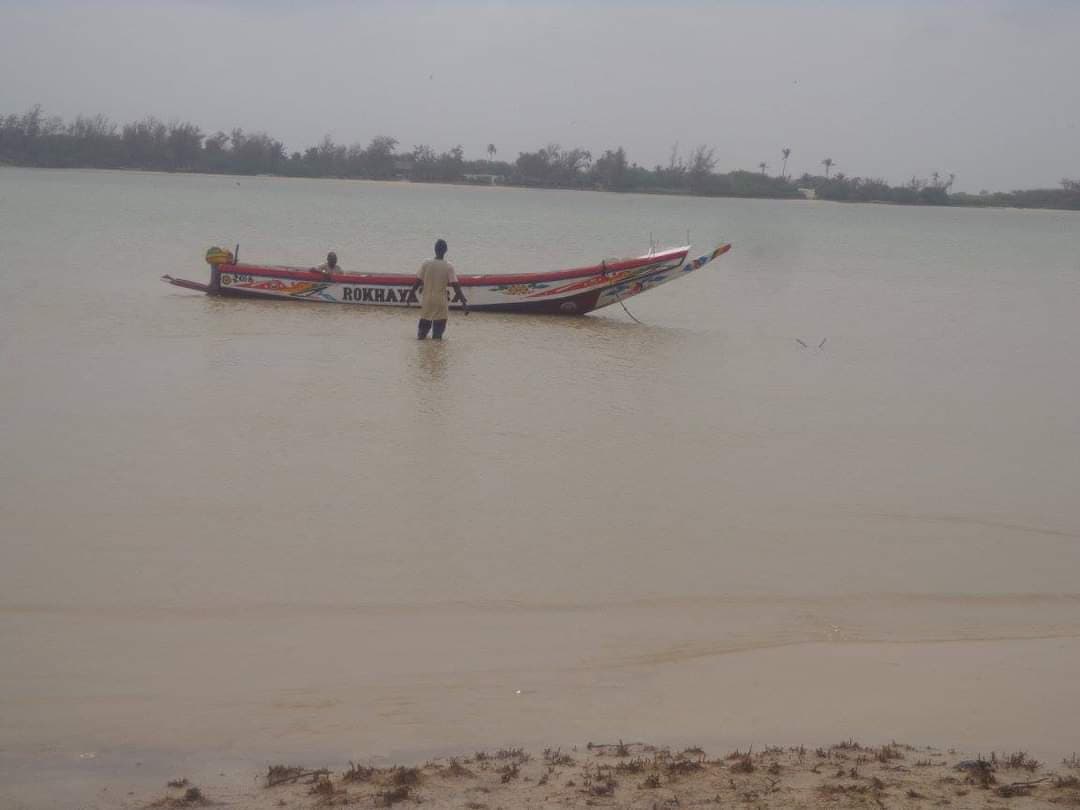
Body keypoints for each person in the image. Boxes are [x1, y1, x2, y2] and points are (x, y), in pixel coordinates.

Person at [410, 239, 467, 339]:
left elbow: (417, 282)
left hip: (427, 302)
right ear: (446, 250)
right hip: (440, 303)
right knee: (437, 337)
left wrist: (410, 295)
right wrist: (463, 303)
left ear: (434, 249)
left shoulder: (426, 264)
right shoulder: (448, 266)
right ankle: (437, 348)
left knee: (421, 336)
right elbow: (456, 286)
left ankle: (422, 348)